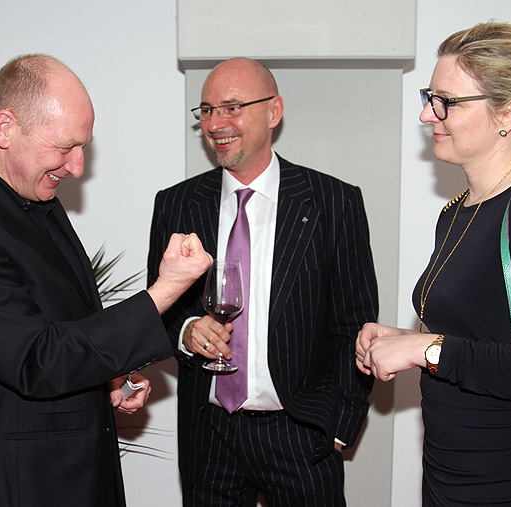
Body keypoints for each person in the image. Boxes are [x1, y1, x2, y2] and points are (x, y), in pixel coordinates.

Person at [0, 54, 212, 507]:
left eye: (83, 147)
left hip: (76, 470)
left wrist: (110, 375)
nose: (77, 167)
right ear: (5, 128)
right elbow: (36, 360)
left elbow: (64, 321)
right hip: (20, 483)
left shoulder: (30, 192)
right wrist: (166, 290)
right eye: (65, 147)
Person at [356, 22, 511, 506]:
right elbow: (480, 337)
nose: (427, 114)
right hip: (451, 477)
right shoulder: (456, 211)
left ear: (508, 113)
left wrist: (425, 349)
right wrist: (401, 340)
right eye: (431, 97)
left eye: (447, 101)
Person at [148, 57, 378, 506]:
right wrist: (187, 330)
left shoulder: (334, 202)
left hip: (301, 437)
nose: (216, 123)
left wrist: (339, 428)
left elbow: (355, 323)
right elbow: (159, 308)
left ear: (274, 111)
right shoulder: (176, 204)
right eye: (207, 110)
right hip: (207, 436)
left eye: (232, 107)